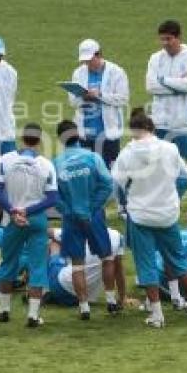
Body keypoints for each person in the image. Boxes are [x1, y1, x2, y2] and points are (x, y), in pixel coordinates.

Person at [112, 109, 187, 328]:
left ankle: (157, 314)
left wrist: (126, 205)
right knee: (178, 261)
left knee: (146, 265)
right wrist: (174, 197)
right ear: (151, 127)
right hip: (167, 213)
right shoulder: (169, 148)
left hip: (141, 215)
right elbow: (184, 177)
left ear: (133, 131)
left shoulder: (126, 154)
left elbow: (118, 184)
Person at [0, 123, 59, 327]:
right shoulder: (47, 165)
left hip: (12, 219)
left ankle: (4, 310)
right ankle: (32, 314)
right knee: (38, 265)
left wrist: (13, 210)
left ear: (22, 138)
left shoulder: (4, 160)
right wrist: (28, 211)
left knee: (8, 262)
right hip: (36, 218)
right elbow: (52, 199)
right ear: (39, 140)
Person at [52, 119, 118, 319]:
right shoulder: (93, 158)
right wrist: (93, 207)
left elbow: (54, 196)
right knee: (107, 257)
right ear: (78, 135)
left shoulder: (56, 163)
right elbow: (107, 184)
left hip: (71, 219)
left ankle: (84, 307)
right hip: (94, 215)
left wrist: (69, 211)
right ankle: (111, 301)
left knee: (77, 263)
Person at [145, 20, 187, 168]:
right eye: (162, 39)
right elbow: (150, 87)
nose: (165, 43)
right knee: (158, 165)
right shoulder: (155, 58)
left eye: (169, 39)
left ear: (179, 38)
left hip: (186, 124)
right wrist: (178, 84)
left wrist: (162, 80)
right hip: (161, 122)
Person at [66, 39, 129, 168]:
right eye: (85, 61)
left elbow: (123, 98)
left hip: (108, 134)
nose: (87, 64)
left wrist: (100, 95)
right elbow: (72, 101)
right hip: (85, 133)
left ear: (98, 54)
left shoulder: (116, 72)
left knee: (109, 171)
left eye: (90, 60)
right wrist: (85, 97)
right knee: (88, 171)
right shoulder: (78, 73)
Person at [45, 227, 127, 311]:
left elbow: (47, 231)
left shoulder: (77, 230)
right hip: (88, 295)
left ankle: (39, 288)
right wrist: (122, 298)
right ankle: (111, 300)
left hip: (62, 287)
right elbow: (119, 271)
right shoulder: (117, 236)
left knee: (54, 243)